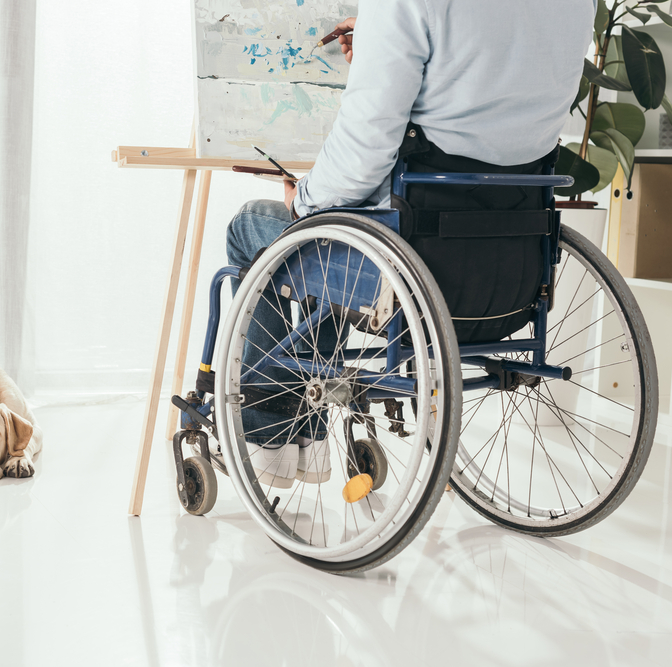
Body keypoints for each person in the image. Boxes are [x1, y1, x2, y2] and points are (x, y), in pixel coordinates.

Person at [227, 0, 596, 488]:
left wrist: (305, 202)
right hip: (513, 273)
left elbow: (363, 149)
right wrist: (382, 38)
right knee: (340, 240)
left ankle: (272, 432)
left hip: (413, 263)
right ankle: (310, 434)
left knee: (256, 225)